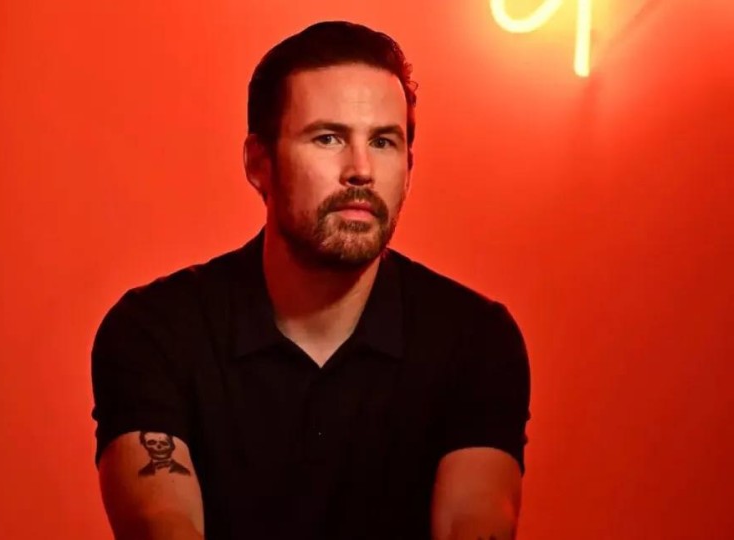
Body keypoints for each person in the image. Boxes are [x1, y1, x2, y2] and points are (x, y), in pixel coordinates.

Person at [91, 20, 531, 540]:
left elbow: (473, 521)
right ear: (259, 163)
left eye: (384, 142)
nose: (361, 170)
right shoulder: (155, 331)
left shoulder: (475, 338)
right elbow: (161, 522)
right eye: (328, 138)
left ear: (409, 166)